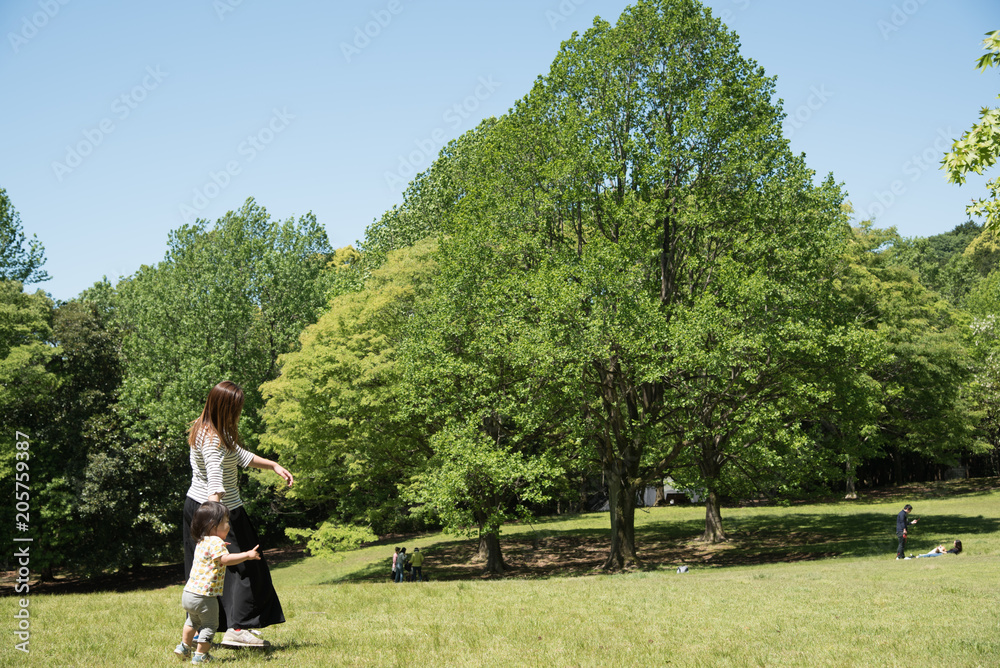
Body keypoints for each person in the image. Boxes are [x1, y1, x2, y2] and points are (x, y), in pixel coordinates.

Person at [183, 381, 294, 648]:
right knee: (246, 566)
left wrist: (273, 465)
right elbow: (215, 480)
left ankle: (199, 627)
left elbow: (240, 455)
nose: (239, 413)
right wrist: (215, 524)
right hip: (217, 510)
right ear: (226, 407)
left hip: (203, 508)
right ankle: (236, 628)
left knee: (210, 570)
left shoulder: (210, 426)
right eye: (237, 408)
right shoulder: (211, 438)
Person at [175, 501, 261, 664]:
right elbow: (225, 559)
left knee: (192, 621)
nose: (228, 525)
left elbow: (214, 555)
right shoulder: (216, 543)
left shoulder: (202, 540)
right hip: (205, 596)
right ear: (213, 525)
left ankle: (184, 647)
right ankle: (201, 656)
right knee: (209, 625)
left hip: (189, 594)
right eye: (226, 522)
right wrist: (247, 555)